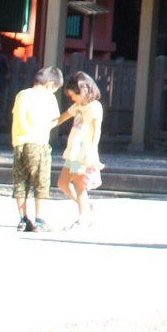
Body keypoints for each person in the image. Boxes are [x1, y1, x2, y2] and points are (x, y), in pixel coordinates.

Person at [10, 66, 62, 233]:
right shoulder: (48, 98)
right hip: (38, 142)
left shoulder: (21, 94)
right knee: (41, 181)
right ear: (50, 84)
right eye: (54, 89)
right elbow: (52, 122)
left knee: (21, 181)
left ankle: (23, 219)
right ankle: (39, 219)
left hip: (19, 142)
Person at [56, 71, 103, 229]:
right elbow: (62, 117)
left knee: (78, 182)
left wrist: (93, 150)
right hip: (73, 150)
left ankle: (84, 216)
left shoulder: (94, 106)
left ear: (82, 91)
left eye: (73, 95)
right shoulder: (77, 106)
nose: (72, 98)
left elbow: (96, 130)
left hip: (83, 151)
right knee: (63, 183)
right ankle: (86, 208)